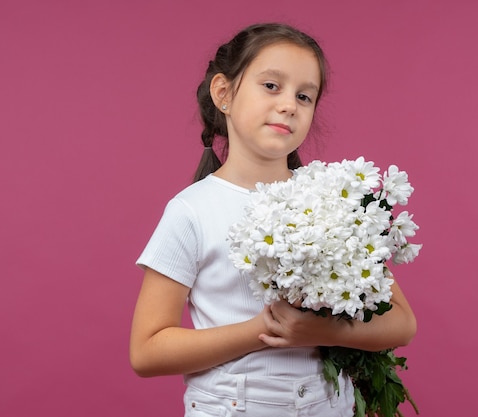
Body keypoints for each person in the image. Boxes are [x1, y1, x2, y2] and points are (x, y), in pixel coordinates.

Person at [129, 23, 417, 416]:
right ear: (224, 93)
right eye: (271, 86)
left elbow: (401, 323)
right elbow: (147, 350)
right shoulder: (192, 211)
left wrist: (320, 331)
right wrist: (260, 331)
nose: (289, 105)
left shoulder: (331, 200)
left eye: (304, 96)